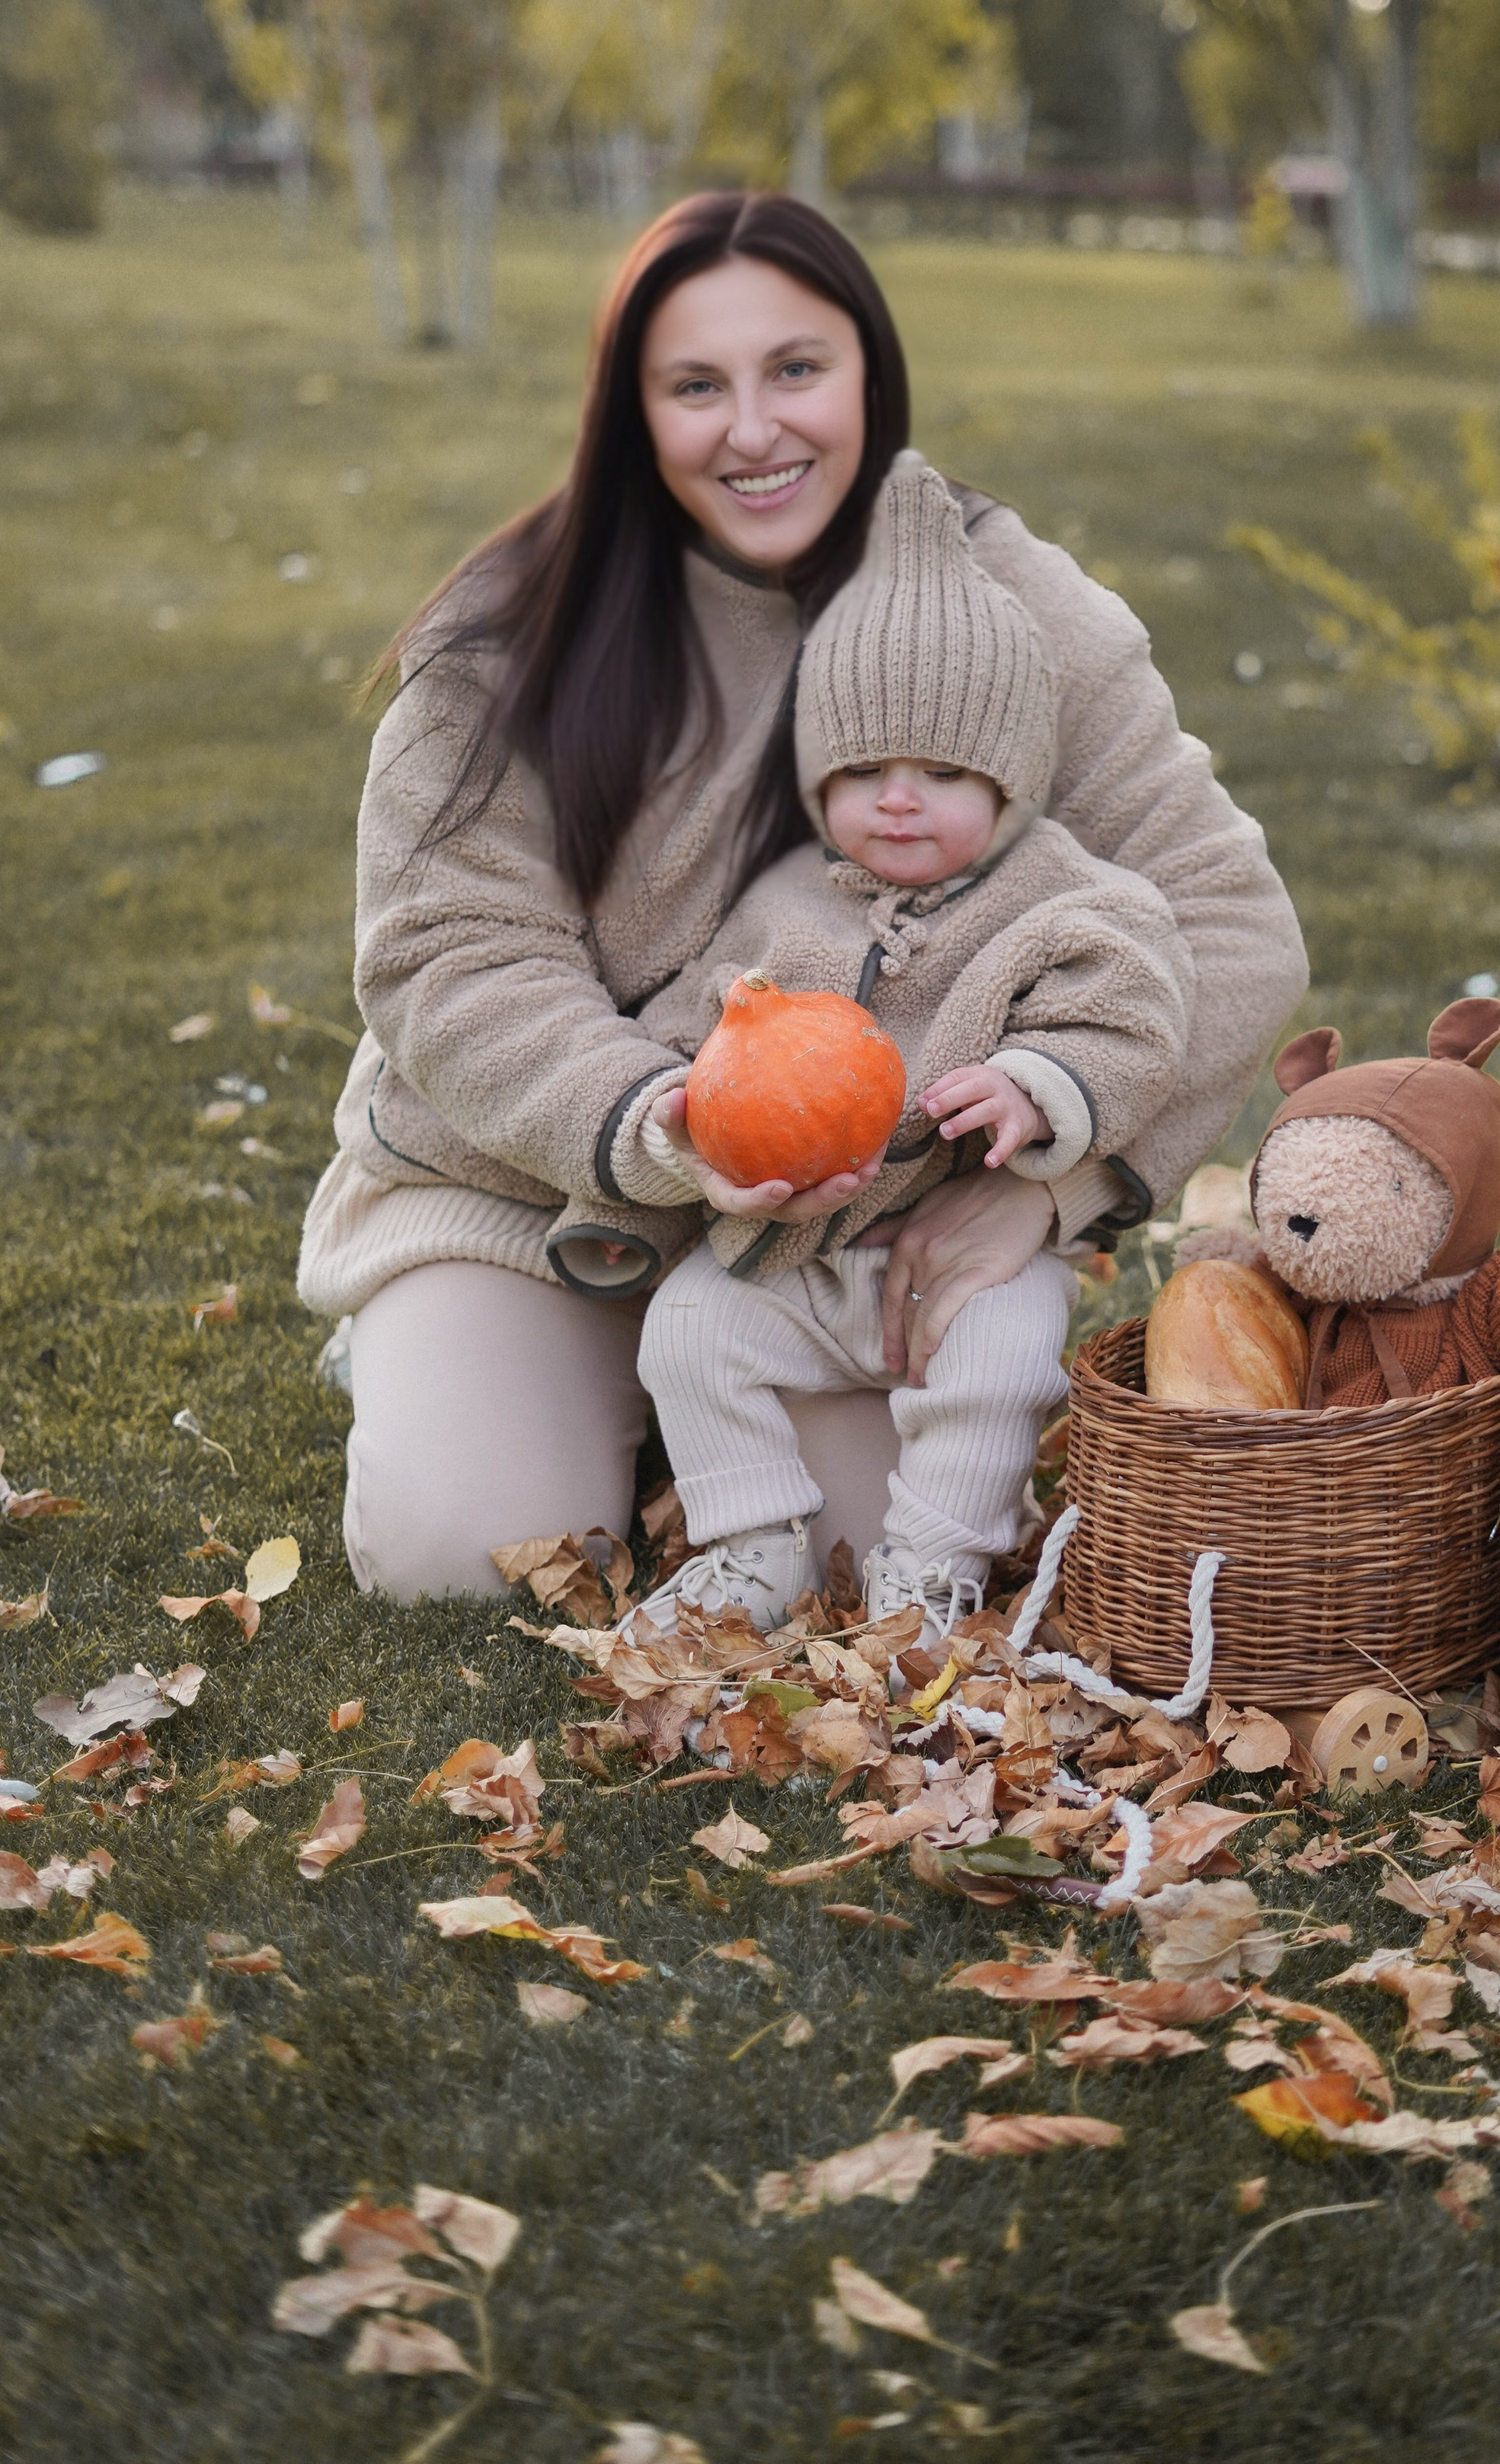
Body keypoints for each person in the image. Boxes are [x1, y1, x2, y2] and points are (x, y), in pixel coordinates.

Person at [297, 190, 1309, 1598]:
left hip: (847, 1236)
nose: (756, 429)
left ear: (870, 374)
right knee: (464, 1552)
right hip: (535, 1202)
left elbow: (1228, 919)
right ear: (631, 412)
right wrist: (667, 1129)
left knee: (853, 1566)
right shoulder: (509, 637)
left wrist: (1051, 1191)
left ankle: (672, 1413)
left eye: (797, 370)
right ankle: (461, 1352)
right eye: (696, 386)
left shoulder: (1003, 606)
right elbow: (450, 956)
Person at [593, 452, 1195, 1642]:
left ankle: (936, 1563)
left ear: (1012, 779)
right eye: (863, 771)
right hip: (794, 1251)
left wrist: (1040, 1090)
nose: (899, 800)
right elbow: (700, 1016)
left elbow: (1137, 1015)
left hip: (962, 1249)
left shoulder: (1067, 900)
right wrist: (683, 1102)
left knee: (1010, 1350)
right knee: (690, 1329)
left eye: (943, 773)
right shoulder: (781, 902)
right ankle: (751, 1541)